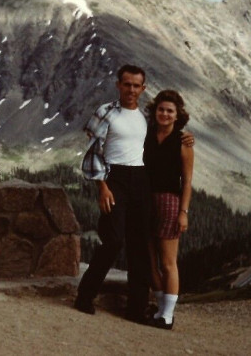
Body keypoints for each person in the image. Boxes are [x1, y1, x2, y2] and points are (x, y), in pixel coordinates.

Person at [74, 65, 193, 322]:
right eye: (126, 84)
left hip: (141, 181)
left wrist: (187, 138)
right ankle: (85, 295)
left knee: (140, 247)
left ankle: (136, 309)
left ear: (143, 88)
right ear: (118, 84)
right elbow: (94, 151)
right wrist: (102, 186)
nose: (131, 89)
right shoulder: (106, 112)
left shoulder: (144, 119)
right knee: (114, 239)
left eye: (136, 85)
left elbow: (166, 133)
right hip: (114, 178)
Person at [144, 89, 194, 330]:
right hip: (144, 201)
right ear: (155, 112)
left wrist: (183, 212)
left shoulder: (183, 143)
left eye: (170, 111)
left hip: (169, 202)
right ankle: (161, 311)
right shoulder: (147, 135)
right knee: (149, 260)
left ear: (177, 115)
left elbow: (187, 181)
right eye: (161, 109)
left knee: (168, 262)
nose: (164, 113)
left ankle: (167, 315)